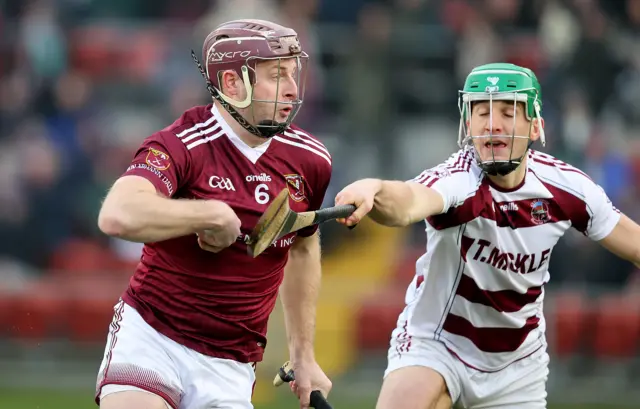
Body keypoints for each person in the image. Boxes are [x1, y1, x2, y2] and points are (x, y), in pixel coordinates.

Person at [335, 63, 640, 409]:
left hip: (517, 367)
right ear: (468, 123)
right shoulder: (459, 181)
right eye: (482, 112)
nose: (492, 124)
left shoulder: (567, 189)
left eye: (508, 112)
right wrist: (373, 189)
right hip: (437, 344)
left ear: (536, 125)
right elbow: (407, 203)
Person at [95, 19, 333, 409]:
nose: (293, 87)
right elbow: (116, 215)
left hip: (231, 364)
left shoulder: (311, 161)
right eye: (277, 75)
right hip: (153, 338)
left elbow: (303, 249)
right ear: (231, 85)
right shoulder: (181, 145)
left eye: (294, 72)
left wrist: (303, 356)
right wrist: (210, 214)